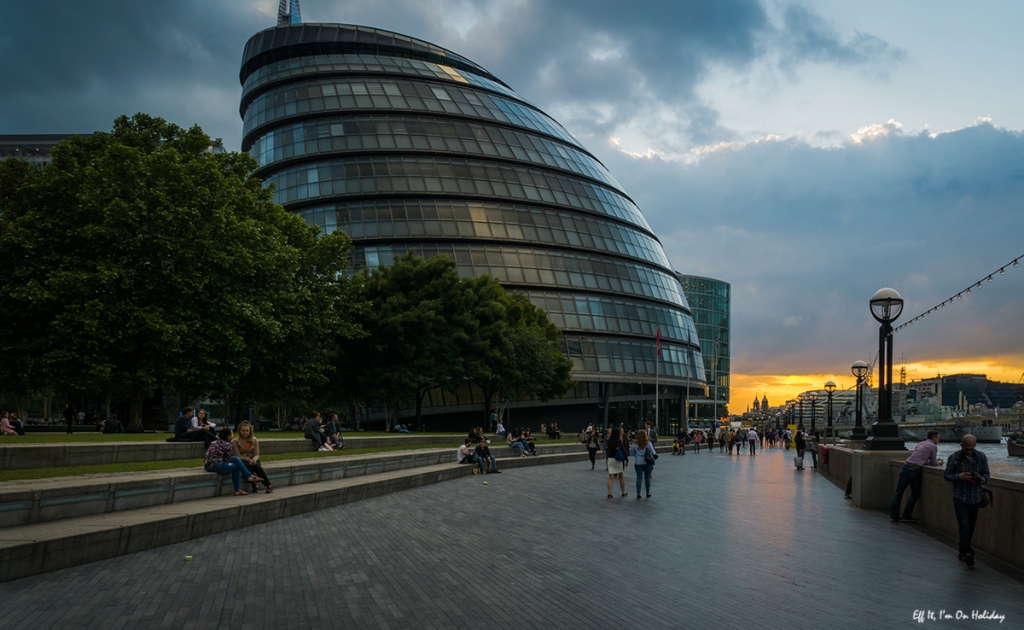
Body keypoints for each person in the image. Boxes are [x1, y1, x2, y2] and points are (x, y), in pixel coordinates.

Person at [943, 435, 990, 567]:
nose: (970, 452)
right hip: (960, 496)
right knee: (964, 524)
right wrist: (959, 476)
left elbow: (987, 474)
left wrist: (981, 479)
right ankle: (967, 552)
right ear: (961, 446)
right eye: (967, 449)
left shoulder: (981, 457)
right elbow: (946, 475)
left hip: (976, 497)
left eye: (972, 449)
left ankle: (963, 550)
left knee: (971, 526)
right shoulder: (954, 457)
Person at [890, 430, 943, 523]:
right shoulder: (933, 446)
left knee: (898, 492)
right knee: (914, 494)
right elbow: (934, 463)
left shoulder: (921, 443)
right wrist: (940, 462)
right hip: (914, 470)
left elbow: (921, 459)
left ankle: (894, 516)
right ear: (934, 438)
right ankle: (906, 516)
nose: (939, 440)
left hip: (905, 466)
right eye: (938, 438)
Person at [204, 427, 262, 496]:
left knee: (235, 458)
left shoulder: (215, 442)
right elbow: (227, 460)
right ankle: (238, 488)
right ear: (228, 436)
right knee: (235, 466)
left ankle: (249, 476)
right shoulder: (228, 445)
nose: (233, 436)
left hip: (208, 465)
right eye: (231, 435)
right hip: (216, 465)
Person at [233, 421, 273, 494]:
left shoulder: (254, 440)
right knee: (246, 466)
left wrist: (253, 459)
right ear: (239, 431)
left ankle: (268, 485)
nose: (245, 432)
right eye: (243, 430)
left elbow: (256, 454)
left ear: (250, 431)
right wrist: (248, 460)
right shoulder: (235, 441)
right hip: (242, 459)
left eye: (247, 430)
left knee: (257, 467)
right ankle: (254, 484)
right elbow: (237, 455)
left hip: (253, 458)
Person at [631, 429, 656, 499]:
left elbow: (632, 453)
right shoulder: (648, 443)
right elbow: (653, 452)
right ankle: (647, 492)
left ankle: (638, 493)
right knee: (647, 478)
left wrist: (637, 455)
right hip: (646, 462)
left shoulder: (634, 444)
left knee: (639, 478)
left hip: (638, 462)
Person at [605, 428, 628, 498]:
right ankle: (623, 492)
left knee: (611, 477)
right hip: (617, 459)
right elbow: (623, 450)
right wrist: (626, 459)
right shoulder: (619, 441)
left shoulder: (609, 441)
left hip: (610, 459)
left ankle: (609, 492)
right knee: (621, 476)